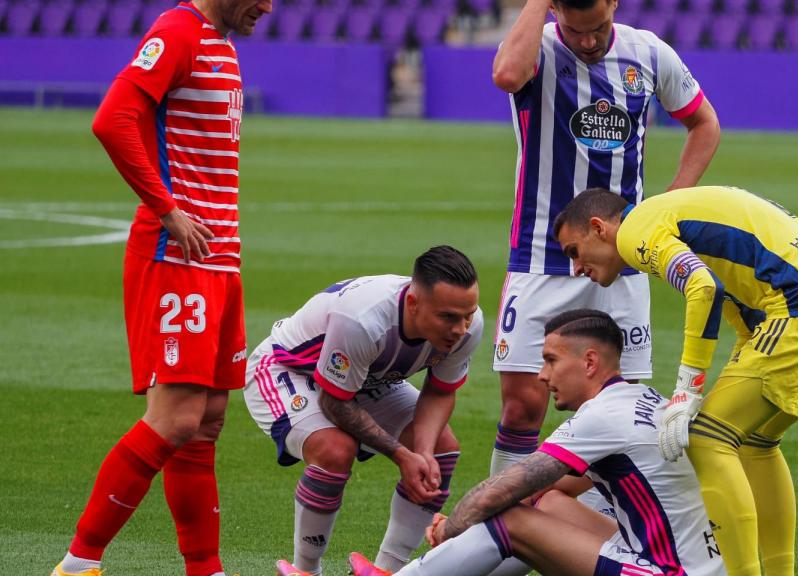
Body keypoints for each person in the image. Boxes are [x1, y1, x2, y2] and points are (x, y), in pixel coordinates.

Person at [52, 1, 271, 575]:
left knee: (205, 423)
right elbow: (112, 119)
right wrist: (167, 209)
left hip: (220, 258)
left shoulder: (221, 43)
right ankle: (78, 564)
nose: (269, 8)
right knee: (175, 417)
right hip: (177, 255)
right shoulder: (178, 31)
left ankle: (205, 569)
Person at [552, 187, 798, 575]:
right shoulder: (669, 212)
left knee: (708, 438)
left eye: (574, 251)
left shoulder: (635, 231)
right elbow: (742, 293)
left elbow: (703, 287)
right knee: (757, 442)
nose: (575, 268)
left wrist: (688, 387)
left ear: (598, 227)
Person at [488, 0, 721, 481]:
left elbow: (705, 123)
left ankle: (603, 540)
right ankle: (501, 533)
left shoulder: (648, 53)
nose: (589, 41)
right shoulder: (539, 48)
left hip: (622, 264)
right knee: (521, 409)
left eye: (599, 28)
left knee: (617, 411)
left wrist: (667, 205)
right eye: (576, 30)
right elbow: (508, 75)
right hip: (539, 256)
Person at [348, 309, 725, 576]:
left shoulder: (603, 417)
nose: (542, 376)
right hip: (690, 562)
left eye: (550, 361)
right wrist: (468, 528)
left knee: (511, 517)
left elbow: (500, 492)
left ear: (590, 362)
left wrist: (450, 530)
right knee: (545, 503)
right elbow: (544, 488)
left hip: (668, 571)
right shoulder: (642, 398)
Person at [247, 246, 485, 576]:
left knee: (441, 451)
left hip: (364, 378)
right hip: (288, 372)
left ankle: (386, 571)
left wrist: (423, 452)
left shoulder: (468, 326)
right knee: (334, 449)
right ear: (413, 304)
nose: (460, 329)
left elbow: (440, 392)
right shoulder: (363, 319)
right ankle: (306, 570)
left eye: (467, 315)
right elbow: (335, 402)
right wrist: (403, 456)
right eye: (447, 317)